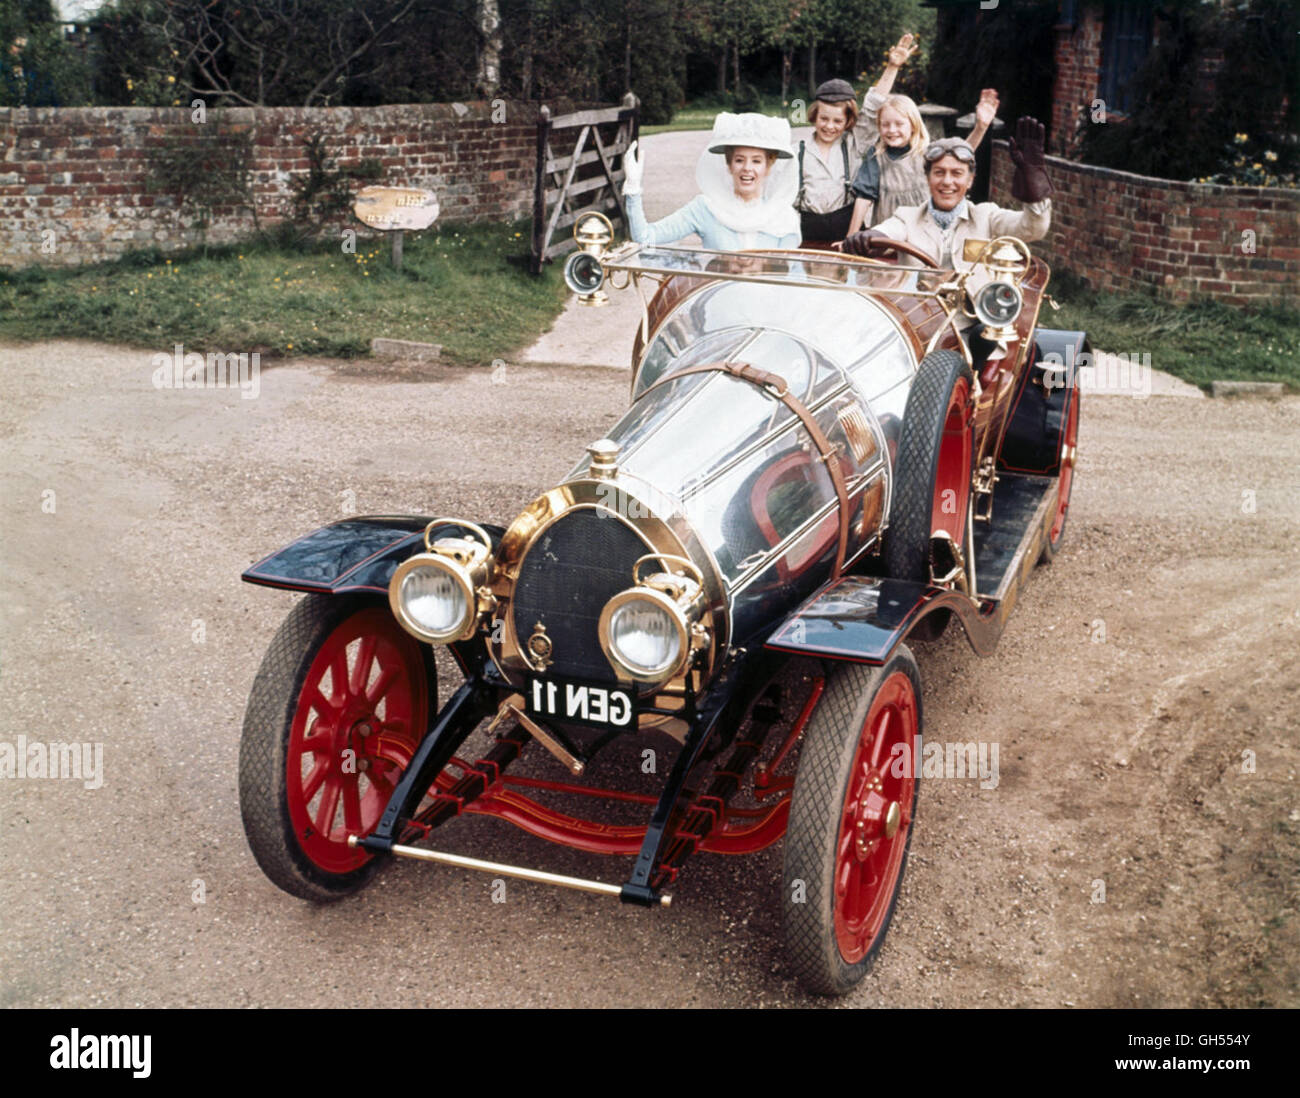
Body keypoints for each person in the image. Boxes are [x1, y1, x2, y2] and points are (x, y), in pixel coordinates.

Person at [837, 118, 1053, 365]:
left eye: (957, 174)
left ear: (970, 180)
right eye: (939, 173)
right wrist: (868, 238)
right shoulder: (907, 217)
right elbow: (887, 232)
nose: (947, 182)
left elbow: (1033, 227)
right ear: (927, 178)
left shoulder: (987, 216)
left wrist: (1034, 181)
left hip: (974, 330)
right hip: (917, 324)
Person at [847, 33, 999, 236]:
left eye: (899, 124)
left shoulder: (929, 153)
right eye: (885, 125)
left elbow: (963, 151)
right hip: (887, 238)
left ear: (913, 125)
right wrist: (851, 237)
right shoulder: (876, 158)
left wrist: (981, 126)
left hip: (927, 238)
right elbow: (863, 199)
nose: (892, 130)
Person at [621, 112, 801, 250]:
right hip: (718, 298)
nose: (747, 168)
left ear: (768, 167)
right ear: (729, 165)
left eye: (756, 161)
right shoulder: (705, 208)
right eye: (739, 160)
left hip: (768, 299)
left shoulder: (783, 216)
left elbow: (792, 276)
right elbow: (645, 237)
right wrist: (633, 189)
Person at [793, 78, 863, 243]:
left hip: (844, 229)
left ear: (847, 122)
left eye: (837, 121)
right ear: (814, 116)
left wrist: (892, 67)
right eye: (824, 119)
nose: (829, 126)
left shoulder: (853, 146)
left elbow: (872, 110)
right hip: (806, 231)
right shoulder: (798, 151)